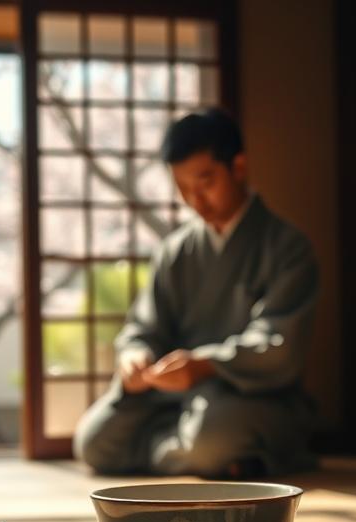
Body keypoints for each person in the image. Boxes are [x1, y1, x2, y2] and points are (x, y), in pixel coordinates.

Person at [73, 108, 318, 478]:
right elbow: (145, 326)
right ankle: (210, 458)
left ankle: (205, 451)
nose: (196, 201)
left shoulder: (287, 247)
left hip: (247, 395)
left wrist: (204, 365)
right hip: (173, 398)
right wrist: (136, 355)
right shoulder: (177, 251)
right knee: (94, 441)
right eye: (184, 189)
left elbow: (278, 345)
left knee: (210, 433)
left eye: (205, 183)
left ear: (238, 167)